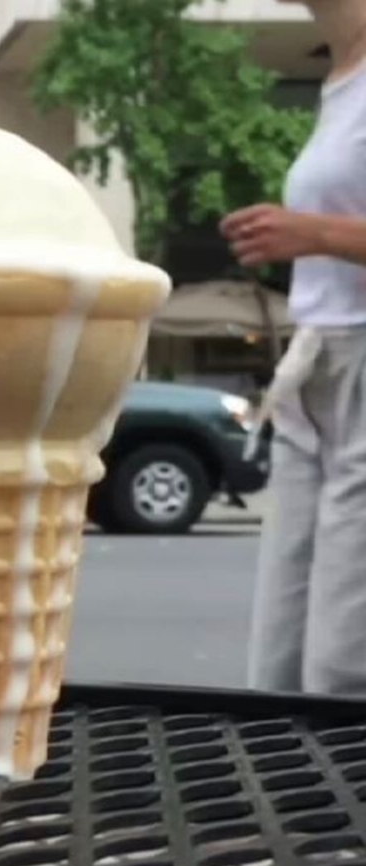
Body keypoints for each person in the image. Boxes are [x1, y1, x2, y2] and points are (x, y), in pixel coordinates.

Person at [231, 0, 366, 694]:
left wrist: (312, 236)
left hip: (360, 369)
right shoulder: (341, 73)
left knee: (345, 659)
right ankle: (277, 798)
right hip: (314, 371)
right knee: (277, 654)